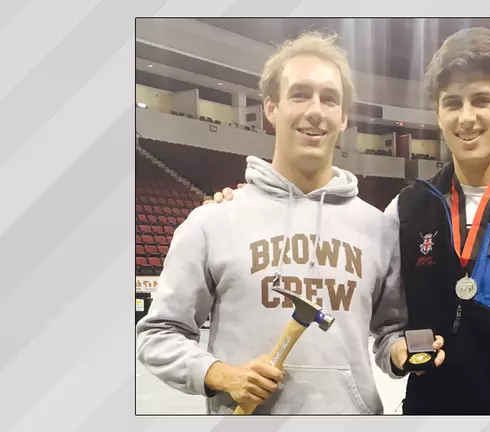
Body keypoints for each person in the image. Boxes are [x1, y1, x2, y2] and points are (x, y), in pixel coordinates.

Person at [208, 27, 490, 415]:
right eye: (452, 103)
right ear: (438, 112)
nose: (466, 118)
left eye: (481, 101)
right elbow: (387, 331)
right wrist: (252, 204)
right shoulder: (406, 210)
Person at [136, 31, 444, 416]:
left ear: (343, 117)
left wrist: (400, 352)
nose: (315, 110)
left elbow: (389, 334)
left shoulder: (378, 229)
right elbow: (158, 334)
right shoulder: (213, 221)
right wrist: (220, 374)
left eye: (329, 99)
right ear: (271, 108)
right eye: (299, 94)